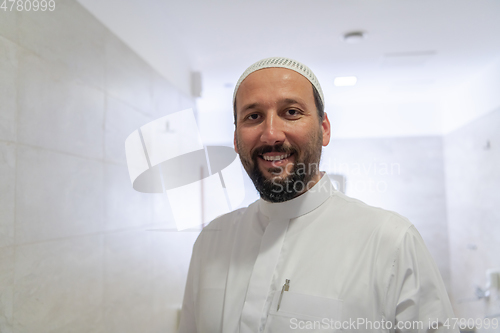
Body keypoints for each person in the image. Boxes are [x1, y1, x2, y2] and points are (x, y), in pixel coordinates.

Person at [178, 57, 457, 332]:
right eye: (253, 117)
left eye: (291, 112)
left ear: (324, 129)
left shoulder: (390, 240)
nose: (271, 134)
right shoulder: (211, 242)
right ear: (236, 138)